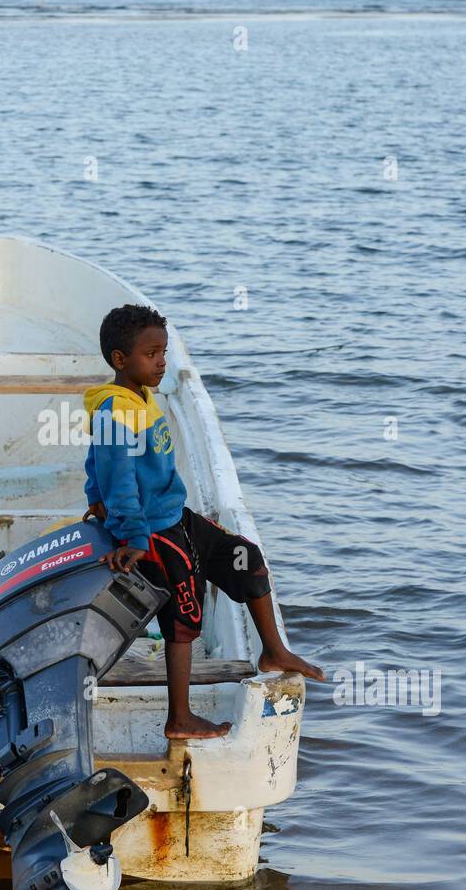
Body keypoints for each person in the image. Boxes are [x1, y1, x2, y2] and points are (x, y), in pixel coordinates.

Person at [82, 302, 324, 740]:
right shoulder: (114, 411)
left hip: (175, 516)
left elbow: (93, 462)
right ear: (121, 360)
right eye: (151, 354)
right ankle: (180, 717)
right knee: (184, 616)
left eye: (164, 352)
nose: (161, 362)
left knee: (244, 557)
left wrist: (93, 499)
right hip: (151, 531)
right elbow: (113, 472)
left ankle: (273, 650)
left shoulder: (139, 395)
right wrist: (129, 531)